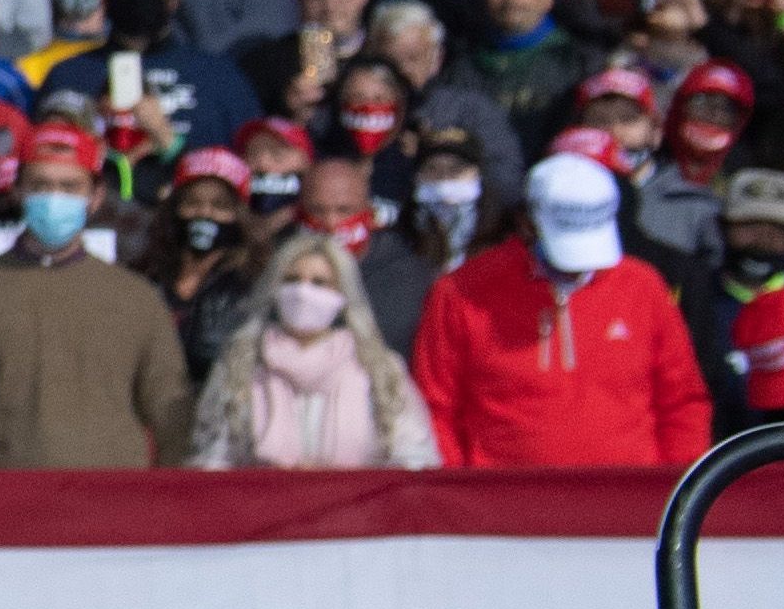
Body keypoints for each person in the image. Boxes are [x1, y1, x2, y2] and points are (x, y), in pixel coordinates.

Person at [404, 152, 711, 469]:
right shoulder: (461, 293)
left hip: (629, 501)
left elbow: (682, 402)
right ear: (527, 222)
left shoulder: (642, 286)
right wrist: (460, 498)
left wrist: (672, 489)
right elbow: (434, 408)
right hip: (501, 505)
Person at [0, 124, 188, 467]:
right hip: (1, 496)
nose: (54, 198)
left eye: (70, 187)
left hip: (110, 500)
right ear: (18, 192)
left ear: (95, 197)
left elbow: (172, 411)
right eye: (40, 185)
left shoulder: (136, 298)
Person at [184, 229, 441, 468]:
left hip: (358, 512)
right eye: (292, 279)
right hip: (263, 510)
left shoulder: (378, 368)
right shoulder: (240, 367)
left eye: (319, 283)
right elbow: (212, 459)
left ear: (342, 294)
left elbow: (415, 457)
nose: (303, 291)